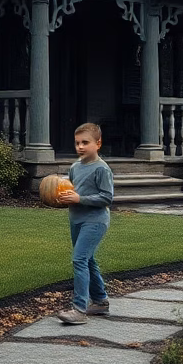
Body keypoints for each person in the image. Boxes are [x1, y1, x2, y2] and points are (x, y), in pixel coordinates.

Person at [55, 122, 115, 325]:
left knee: (79, 259)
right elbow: (74, 191)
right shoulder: (74, 167)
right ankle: (100, 302)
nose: (80, 147)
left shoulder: (102, 169)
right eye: (77, 143)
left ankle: (79, 309)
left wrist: (79, 199)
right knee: (88, 260)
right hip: (76, 219)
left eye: (85, 142)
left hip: (96, 221)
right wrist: (64, 198)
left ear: (98, 144)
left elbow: (107, 198)